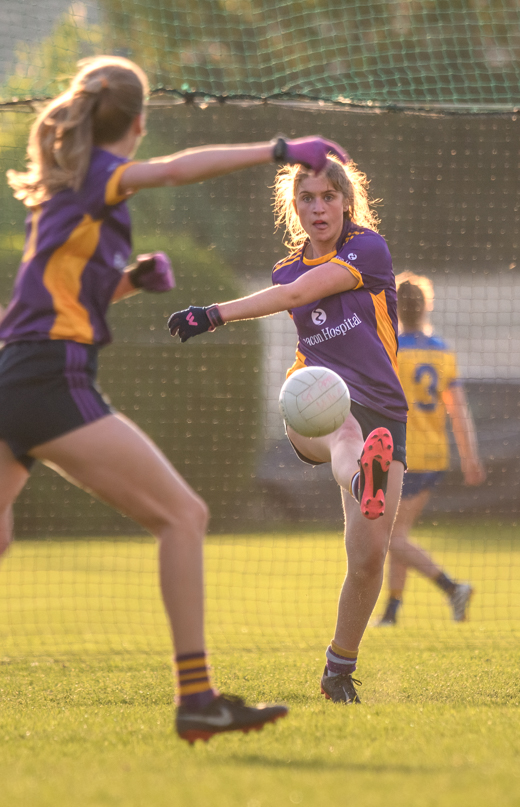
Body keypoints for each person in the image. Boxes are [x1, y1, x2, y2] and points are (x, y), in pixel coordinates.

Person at [0, 54, 349, 742]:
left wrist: (129, 281)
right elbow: (177, 168)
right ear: (136, 122)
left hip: (13, 370)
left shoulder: (67, 192)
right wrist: (279, 149)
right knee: (184, 515)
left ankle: (199, 698)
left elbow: (65, 299)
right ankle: (197, 698)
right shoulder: (102, 174)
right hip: (47, 378)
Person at [168, 156, 408, 705]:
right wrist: (216, 315)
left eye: (327, 196)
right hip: (312, 395)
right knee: (343, 427)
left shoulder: (367, 249)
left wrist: (213, 313)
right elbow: (291, 290)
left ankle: (338, 669)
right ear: (292, 207)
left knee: (370, 557)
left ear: (346, 201)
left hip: (385, 412)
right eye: (306, 198)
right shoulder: (284, 268)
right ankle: (361, 477)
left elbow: (301, 295)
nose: (318, 207)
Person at [377, 272, 486, 626]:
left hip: (401, 454)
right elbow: (459, 410)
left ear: (395, 308)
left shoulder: (390, 348)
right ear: (426, 306)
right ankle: (392, 611)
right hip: (435, 455)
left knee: (390, 536)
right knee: (399, 534)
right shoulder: (442, 351)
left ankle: (452, 587)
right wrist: (470, 458)